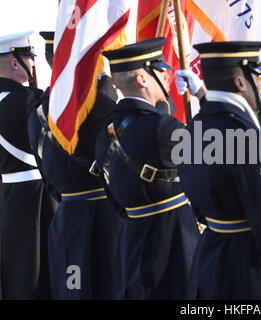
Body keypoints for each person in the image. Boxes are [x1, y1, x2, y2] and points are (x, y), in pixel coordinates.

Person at [176, 41, 261, 299]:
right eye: (257, 78)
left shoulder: (192, 130)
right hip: (252, 273)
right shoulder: (251, 140)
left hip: (210, 262)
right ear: (239, 83)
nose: (260, 86)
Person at [95, 37, 201, 299]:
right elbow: (225, 151)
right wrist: (204, 96)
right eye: (161, 68)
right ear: (143, 79)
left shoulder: (105, 131)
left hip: (131, 238)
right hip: (174, 243)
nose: (168, 74)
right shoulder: (162, 128)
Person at [27, 31, 124, 299]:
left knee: (73, 288)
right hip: (107, 217)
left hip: (68, 216)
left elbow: (48, 178)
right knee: (109, 286)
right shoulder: (103, 108)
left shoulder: (38, 114)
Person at [0, 31, 58, 299]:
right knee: (39, 273)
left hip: (6, 196)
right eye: (29, 58)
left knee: (15, 271)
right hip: (37, 198)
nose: (33, 64)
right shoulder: (26, 101)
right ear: (15, 62)